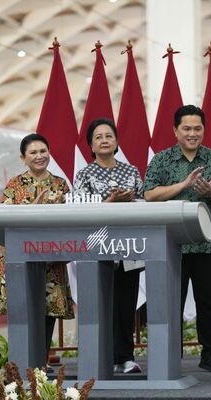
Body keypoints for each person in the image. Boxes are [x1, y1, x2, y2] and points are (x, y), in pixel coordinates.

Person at [144, 105, 211, 373]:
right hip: (171, 246)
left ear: (203, 130)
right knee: (172, 301)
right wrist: (182, 186)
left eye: (198, 128)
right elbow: (149, 195)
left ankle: (210, 354)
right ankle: (170, 354)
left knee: (207, 301)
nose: (193, 134)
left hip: (208, 244)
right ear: (176, 130)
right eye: (187, 128)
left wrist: (210, 192)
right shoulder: (161, 160)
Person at [0, 133, 75, 363]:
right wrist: (32, 209)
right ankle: (21, 366)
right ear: (23, 158)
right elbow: (2, 220)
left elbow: (72, 220)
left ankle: (41, 365)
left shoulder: (60, 184)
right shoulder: (15, 184)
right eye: (33, 153)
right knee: (22, 311)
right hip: (20, 259)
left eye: (43, 151)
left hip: (51, 258)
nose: (39, 156)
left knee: (47, 314)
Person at [73, 118, 144, 374]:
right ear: (91, 145)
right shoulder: (84, 174)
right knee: (101, 304)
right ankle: (101, 356)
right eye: (98, 137)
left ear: (116, 142)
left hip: (129, 247)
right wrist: (109, 201)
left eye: (108, 136)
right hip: (96, 249)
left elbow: (145, 204)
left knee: (126, 305)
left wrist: (131, 200)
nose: (104, 140)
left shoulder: (132, 171)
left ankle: (125, 357)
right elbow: (79, 210)